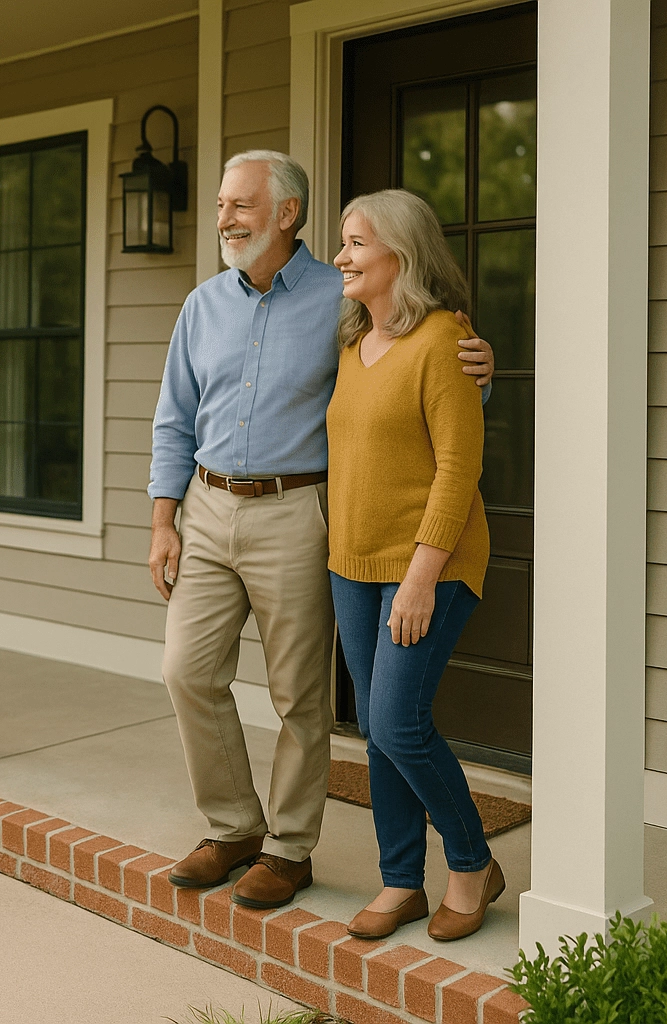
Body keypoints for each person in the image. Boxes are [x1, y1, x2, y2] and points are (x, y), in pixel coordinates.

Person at [147, 151, 494, 912]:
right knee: (186, 670)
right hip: (207, 507)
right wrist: (164, 518)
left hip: (297, 512)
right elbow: (173, 416)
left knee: (303, 696)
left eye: (241, 204)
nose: (225, 219)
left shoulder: (337, 303)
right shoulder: (205, 306)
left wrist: (481, 367)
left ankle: (288, 847)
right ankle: (235, 824)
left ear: (285, 213)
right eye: (220, 205)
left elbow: (418, 361)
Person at [327, 189, 501, 942]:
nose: (342, 256)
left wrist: (422, 578)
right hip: (352, 563)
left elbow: (458, 467)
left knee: (399, 722)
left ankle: (472, 864)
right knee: (374, 725)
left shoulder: (444, 342)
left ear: (402, 251)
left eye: (357, 243)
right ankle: (400, 880)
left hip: (428, 561)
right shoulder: (351, 343)